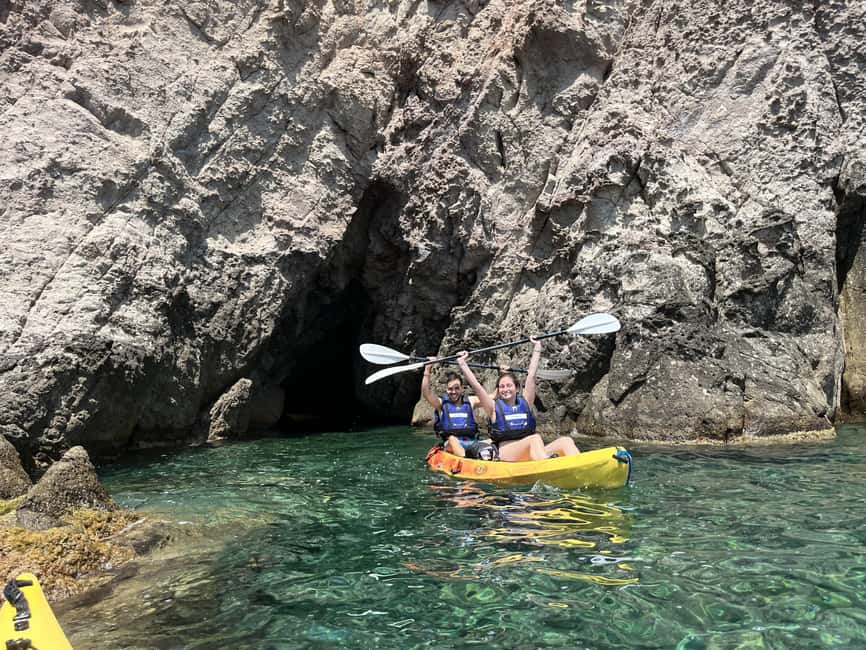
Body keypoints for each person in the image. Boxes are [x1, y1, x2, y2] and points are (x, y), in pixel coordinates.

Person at [456, 337, 580, 462]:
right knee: (535, 439)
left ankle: (581, 466)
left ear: (517, 388)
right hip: (506, 452)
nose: (505, 389)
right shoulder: (493, 408)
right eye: (502, 387)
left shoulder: (526, 403)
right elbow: (476, 386)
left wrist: (537, 347)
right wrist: (462, 363)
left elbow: (531, 376)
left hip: (530, 450)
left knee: (566, 441)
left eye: (509, 386)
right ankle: (546, 464)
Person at [421, 363, 494, 459]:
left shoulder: (471, 401)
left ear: (462, 389)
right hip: (450, 444)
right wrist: (427, 370)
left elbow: (492, 396)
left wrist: (503, 373)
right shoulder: (441, 403)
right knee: (452, 439)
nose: (453, 392)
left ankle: (480, 455)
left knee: (491, 440)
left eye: (456, 388)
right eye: (450, 389)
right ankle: (466, 458)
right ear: (446, 390)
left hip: (471, 442)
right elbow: (426, 393)